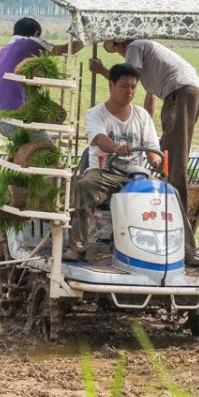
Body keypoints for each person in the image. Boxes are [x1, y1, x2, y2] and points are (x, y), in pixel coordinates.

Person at [88, 38, 199, 266]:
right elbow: (147, 98)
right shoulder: (151, 59)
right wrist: (149, 129)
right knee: (167, 159)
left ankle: (184, 247)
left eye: (117, 51)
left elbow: (128, 82)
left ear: (121, 44)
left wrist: (102, 70)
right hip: (186, 92)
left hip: (180, 93)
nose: (120, 56)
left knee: (173, 169)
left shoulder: (135, 47)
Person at [67, 64, 160, 260]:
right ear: (111, 85)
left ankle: (182, 250)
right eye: (125, 86)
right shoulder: (96, 114)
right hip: (104, 173)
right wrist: (117, 148)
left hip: (136, 175)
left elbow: (153, 150)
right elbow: (100, 138)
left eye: (134, 87)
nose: (130, 91)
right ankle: (78, 245)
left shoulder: (142, 115)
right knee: (84, 185)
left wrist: (156, 160)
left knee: (171, 194)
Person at [0, 18, 84, 138]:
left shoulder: (3, 51)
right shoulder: (29, 42)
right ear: (35, 34)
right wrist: (88, 39)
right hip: (17, 119)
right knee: (48, 149)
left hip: (1, 118)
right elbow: (66, 49)